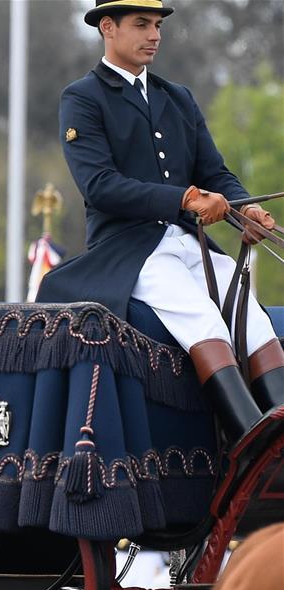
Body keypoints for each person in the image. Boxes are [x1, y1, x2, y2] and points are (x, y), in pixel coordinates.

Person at [37, 0, 283, 443]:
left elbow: (215, 173)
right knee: (202, 321)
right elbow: (100, 185)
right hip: (129, 248)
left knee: (253, 320)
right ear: (107, 28)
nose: (155, 35)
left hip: (192, 241)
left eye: (157, 26)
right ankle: (250, 442)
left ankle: (280, 435)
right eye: (142, 25)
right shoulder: (83, 98)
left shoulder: (177, 97)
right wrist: (185, 198)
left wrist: (245, 209)